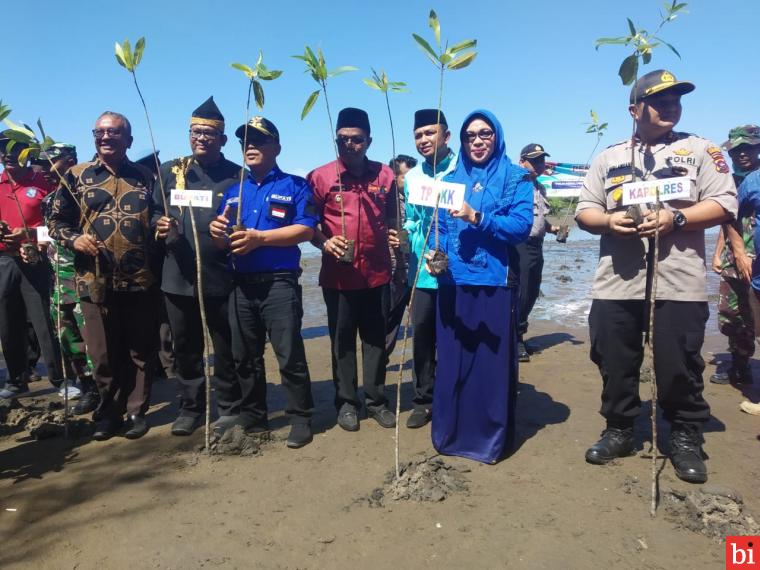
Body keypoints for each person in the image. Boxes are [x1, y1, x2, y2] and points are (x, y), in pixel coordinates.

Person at [575, 69, 737, 484]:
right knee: (613, 358)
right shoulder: (609, 157)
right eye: (659, 101)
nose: (671, 107)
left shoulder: (701, 150)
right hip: (617, 280)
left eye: (675, 100)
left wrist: (677, 217)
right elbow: (584, 210)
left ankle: (684, 435)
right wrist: (610, 222)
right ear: (634, 110)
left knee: (678, 363)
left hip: (678, 280)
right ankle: (620, 429)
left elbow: (724, 203)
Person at [427, 109, 533, 463]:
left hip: (493, 282)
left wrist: (479, 217)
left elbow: (520, 227)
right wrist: (433, 253)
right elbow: (438, 224)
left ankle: (487, 438)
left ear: (497, 136)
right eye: (470, 135)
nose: (477, 141)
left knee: (488, 363)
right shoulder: (450, 177)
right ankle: (450, 433)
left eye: (485, 134)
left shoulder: (516, 178)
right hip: (452, 282)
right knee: (454, 359)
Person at [49, 111, 162, 440]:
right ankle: (110, 413)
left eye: (113, 132)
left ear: (129, 139)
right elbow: (57, 222)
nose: (105, 137)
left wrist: (162, 225)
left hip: (139, 278)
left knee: (141, 350)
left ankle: (136, 411)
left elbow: (156, 215)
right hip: (93, 280)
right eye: (99, 132)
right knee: (101, 352)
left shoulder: (145, 177)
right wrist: (75, 239)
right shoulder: (76, 175)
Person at [209, 116, 317, 448]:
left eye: (259, 141)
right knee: (244, 356)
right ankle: (254, 416)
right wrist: (217, 236)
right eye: (245, 143)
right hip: (240, 284)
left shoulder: (295, 186)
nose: (250, 147)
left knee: (288, 353)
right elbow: (224, 242)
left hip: (279, 283)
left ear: (277, 147)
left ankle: (300, 417)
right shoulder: (232, 191)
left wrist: (260, 238)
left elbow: (306, 229)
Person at [308, 107, 400, 431]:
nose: (350, 145)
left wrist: (395, 236)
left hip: (376, 275)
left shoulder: (385, 176)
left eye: (357, 139)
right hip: (339, 277)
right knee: (342, 342)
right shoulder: (321, 177)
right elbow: (309, 223)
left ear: (368, 140)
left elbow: (392, 219)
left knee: (376, 341)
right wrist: (323, 241)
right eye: (343, 139)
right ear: (336, 140)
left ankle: (376, 401)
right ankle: (347, 403)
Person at [154, 97, 241, 436]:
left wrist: (232, 230)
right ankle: (190, 408)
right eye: (195, 132)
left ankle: (230, 407)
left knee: (225, 346)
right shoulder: (171, 171)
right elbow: (150, 212)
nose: (201, 138)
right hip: (177, 277)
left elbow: (247, 222)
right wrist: (159, 225)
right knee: (186, 347)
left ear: (222, 139)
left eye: (208, 133)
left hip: (221, 276)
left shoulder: (237, 176)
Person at [402, 109, 457, 429]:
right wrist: (404, 234)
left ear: (446, 136)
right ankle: (423, 399)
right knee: (421, 336)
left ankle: (451, 396)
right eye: (418, 135)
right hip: (422, 273)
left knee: (454, 336)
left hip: (456, 271)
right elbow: (411, 218)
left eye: (430, 133)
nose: (424, 140)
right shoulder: (412, 177)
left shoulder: (461, 169)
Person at [0, 137, 65, 399]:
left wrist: (30, 235)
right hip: (4, 261)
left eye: (15, 149)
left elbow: (58, 228)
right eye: (3, 149)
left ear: (27, 152)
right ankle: (16, 379)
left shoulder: (45, 184)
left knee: (43, 321)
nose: (8, 155)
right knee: (7, 322)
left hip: (34, 259)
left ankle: (60, 379)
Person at [38, 144, 100, 411]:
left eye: (50, 162)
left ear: (70, 162)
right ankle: (86, 387)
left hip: (84, 275)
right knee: (66, 335)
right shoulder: (48, 200)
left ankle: (104, 388)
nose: (44, 169)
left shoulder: (87, 194)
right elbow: (49, 234)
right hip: (58, 279)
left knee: (94, 337)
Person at [709, 125, 760, 385]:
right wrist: (718, 254)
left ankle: (745, 363)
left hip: (756, 259)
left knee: (754, 313)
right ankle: (739, 364)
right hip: (734, 257)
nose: (741, 154)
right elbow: (727, 221)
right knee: (731, 313)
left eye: (747, 148)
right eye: (736, 150)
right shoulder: (730, 181)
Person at [515, 143, 560, 362]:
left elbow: (539, 217)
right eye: (534, 161)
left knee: (532, 291)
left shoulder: (540, 188)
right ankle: (515, 339)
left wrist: (552, 228)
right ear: (522, 161)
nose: (539, 165)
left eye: (541, 160)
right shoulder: (516, 185)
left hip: (536, 245)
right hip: (520, 245)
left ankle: (519, 334)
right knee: (521, 293)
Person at [385, 154, 417, 360]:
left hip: (417, 269)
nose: (411, 181)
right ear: (394, 176)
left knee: (422, 323)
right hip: (393, 271)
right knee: (387, 323)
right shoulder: (384, 201)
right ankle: (379, 367)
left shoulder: (420, 199)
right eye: (406, 176)